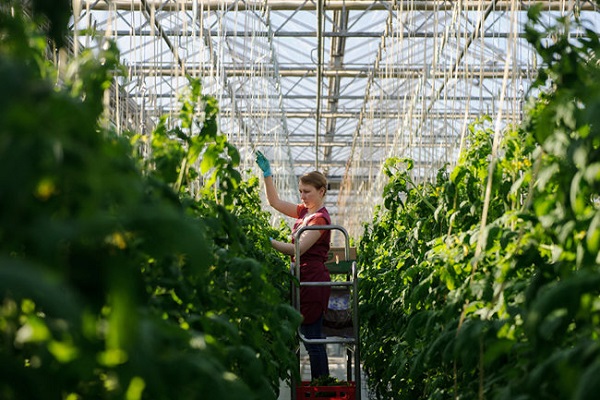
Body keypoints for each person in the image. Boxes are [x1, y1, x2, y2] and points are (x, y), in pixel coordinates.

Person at [255, 150, 331, 380]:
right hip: (303, 280)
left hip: (314, 281)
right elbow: (274, 202)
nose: (302, 196)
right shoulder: (304, 213)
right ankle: (321, 385)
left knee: (312, 338)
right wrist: (267, 174)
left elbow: (296, 249)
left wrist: (268, 242)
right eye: (300, 191)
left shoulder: (320, 219)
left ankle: (322, 387)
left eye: (307, 192)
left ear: (322, 191)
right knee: (309, 337)